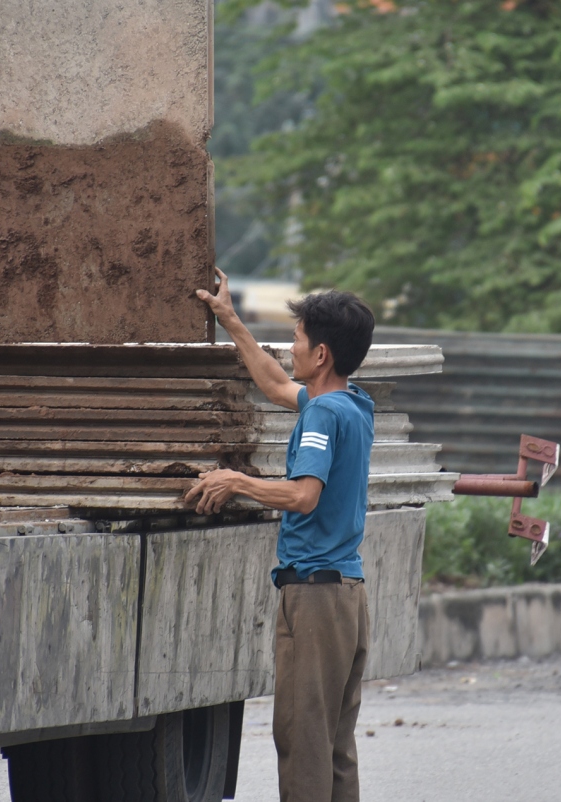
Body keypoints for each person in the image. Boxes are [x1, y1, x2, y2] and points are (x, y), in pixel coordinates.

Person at [186, 268, 375, 802]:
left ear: (322, 356)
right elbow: (272, 383)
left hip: (314, 599)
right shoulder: (352, 404)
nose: (289, 348)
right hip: (346, 597)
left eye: (296, 340)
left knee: (303, 742)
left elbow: (302, 496)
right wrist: (230, 320)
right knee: (334, 747)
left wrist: (234, 479)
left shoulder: (322, 415)